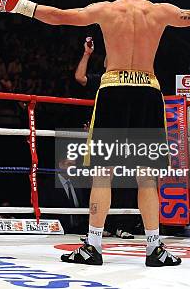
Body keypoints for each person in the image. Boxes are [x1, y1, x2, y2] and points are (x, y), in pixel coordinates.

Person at [0, 0, 190, 266]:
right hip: (147, 93)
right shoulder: (159, 11)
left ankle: (93, 247)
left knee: (102, 174)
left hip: (112, 90)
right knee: (147, 178)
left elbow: (60, 16)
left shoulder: (105, 10)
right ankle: (153, 249)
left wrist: (17, 5)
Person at [75, 36, 138, 239]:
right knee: (100, 179)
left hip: (126, 134)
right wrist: (86, 54)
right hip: (104, 132)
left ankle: (123, 225)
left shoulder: (132, 81)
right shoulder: (101, 79)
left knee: (124, 180)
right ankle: (100, 227)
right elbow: (80, 78)